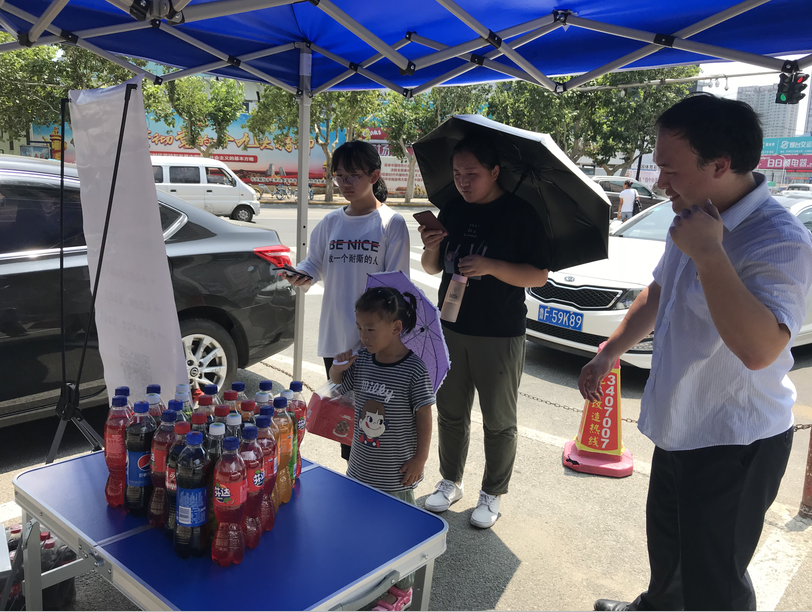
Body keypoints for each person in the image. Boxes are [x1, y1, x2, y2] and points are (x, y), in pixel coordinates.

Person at [580, 93, 812, 612]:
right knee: (669, 552)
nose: (660, 182)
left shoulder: (780, 239)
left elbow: (759, 349)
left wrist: (709, 252)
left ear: (720, 165)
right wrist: (610, 351)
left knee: (716, 584)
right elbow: (659, 290)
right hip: (680, 421)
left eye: (670, 169)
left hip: (735, 438)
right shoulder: (691, 213)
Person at [418, 138, 549, 529]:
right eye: (457, 173)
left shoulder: (522, 214)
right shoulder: (453, 209)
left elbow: (538, 276)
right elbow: (432, 267)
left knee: (498, 419)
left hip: (499, 332)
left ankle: (492, 493)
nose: (463, 181)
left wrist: (491, 266)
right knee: (450, 411)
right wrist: (431, 246)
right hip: (450, 326)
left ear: (494, 172)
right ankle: (450, 481)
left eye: (472, 173)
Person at [285, 140, 411, 461]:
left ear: (374, 175)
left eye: (353, 175)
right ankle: (353, 481)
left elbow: (396, 288)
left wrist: (377, 340)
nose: (345, 183)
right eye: (339, 176)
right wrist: (301, 274)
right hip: (336, 339)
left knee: (374, 428)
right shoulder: (330, 222)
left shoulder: (391, 223)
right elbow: (314, 262)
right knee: (345, 429)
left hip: (372, 344)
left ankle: (376, 482)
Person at [330, 287, 435, 612]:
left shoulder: (414, 369)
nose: (363, 336)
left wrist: (420, 458)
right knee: (361, 525)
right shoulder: (363, 360)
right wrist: (339, 367)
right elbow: (338, 385)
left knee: (397, 532)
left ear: (396, 327)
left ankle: (402, 590)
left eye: (370, 329)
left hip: (395, 474)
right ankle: (370, 574)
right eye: (359, 328)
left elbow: (425, 415)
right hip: (361, 466)